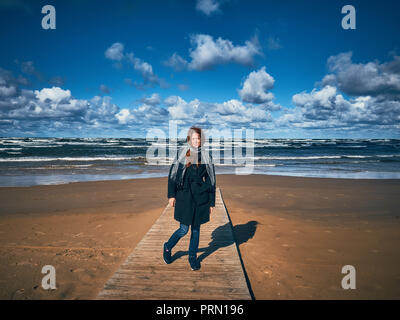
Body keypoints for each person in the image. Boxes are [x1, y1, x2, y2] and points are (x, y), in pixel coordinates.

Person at [163, 126, 216, 270]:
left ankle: (192, 258)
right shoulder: (182, 154)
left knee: (196, 230)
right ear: (189, 139)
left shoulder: (206, 156)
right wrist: (171, 195)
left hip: (200, 197)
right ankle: (167, 247)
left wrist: (211, 202)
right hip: (184, 195)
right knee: (184, 229)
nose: (196, 141)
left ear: (201, 139)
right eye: (193, 138)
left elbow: (211, 180)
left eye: (198, 138)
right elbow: (172, 175)